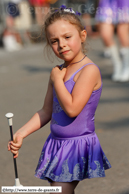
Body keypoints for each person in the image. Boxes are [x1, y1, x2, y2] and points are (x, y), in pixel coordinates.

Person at [8, 6, 111, 194]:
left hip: (77, 145)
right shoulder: (57, 72)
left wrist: (57, 81)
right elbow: (46, 111)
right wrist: (21, 133)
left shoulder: (89, 70)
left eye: (67, 37)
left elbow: (72, 109)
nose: (61, 44)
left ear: (82, 35)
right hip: (56, 144)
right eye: (54, 41)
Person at [96, 0, 129, 82]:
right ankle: (117, 64)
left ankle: (126, 65)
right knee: (105, 34)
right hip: (107, 2)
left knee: (122, 33)